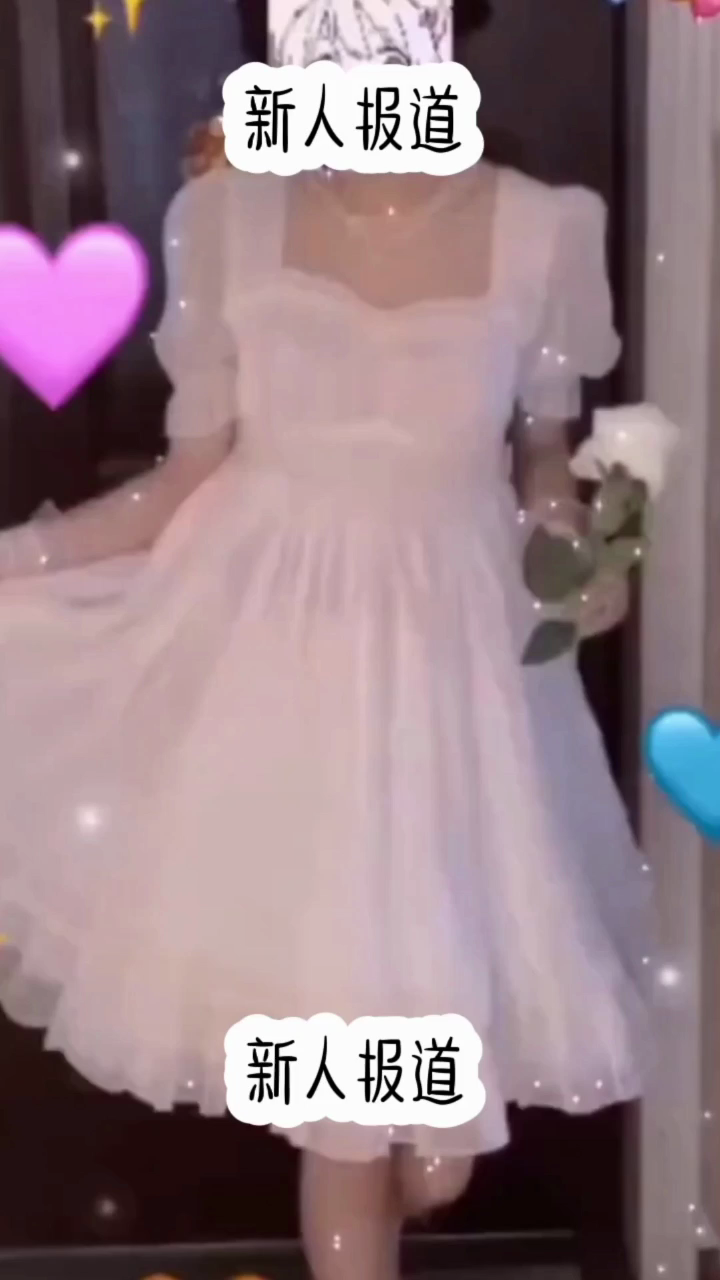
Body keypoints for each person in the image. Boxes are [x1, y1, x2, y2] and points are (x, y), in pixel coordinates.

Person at [0, 3, 650, 1278]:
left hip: (455, 686)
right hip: (270, 676)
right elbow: (183, 481)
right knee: (346, 1117)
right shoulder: (228, 219)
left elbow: (541, 450)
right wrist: (14, 562)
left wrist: (578, 546)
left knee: (439, 1150)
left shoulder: (544, 227)